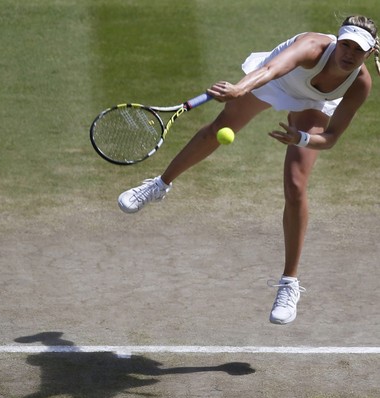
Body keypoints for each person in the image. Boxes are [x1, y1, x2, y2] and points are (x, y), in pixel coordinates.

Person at [117, 16, 380, 325]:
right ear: (336, 41)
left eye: (357, 50)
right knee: (220, 128)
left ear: (370, 52)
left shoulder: (360, 83)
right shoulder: (311, 48)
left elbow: (332, 138)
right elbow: (269, 71)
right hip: (279, 79)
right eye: (345, 45)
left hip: (316, 103)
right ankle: (160, 185)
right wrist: (239, 89)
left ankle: (289, 284)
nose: (348, 54)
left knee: (296, 185)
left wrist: (303, 139)